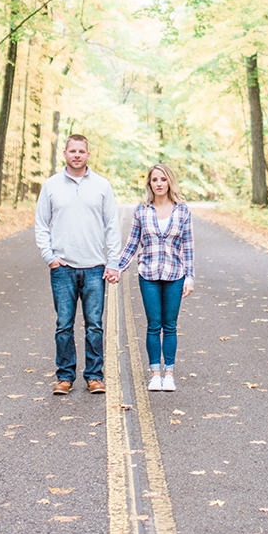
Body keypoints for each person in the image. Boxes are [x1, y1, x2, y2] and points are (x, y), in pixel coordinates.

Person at [34, 134, 122, 396]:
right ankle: (64, 376)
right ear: (64, 153)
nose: (76, 155)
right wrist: (50, 258)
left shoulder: (102, 186)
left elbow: (112, 226)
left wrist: (113, 262)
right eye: (72, 150)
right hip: (63, 268)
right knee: (64, 324)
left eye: (81, 151)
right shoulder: (51, 186)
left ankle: (95, 376)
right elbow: (41, 225)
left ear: (88, 154)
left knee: (94, 324)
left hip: (95, 266)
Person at [112, 163, 194, 392]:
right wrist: (118, 268)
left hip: (175, 274)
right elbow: (132, 243)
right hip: (148, 274)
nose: (159, 184)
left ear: (170, 182)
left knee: (170, 325)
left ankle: (169, 373)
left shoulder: (183, 211)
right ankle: (155, 373)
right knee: (153, 324)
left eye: (163, 179)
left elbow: (188, 246)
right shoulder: (142, 210)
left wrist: (190, 277)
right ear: (149, 183)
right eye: (155, 180)